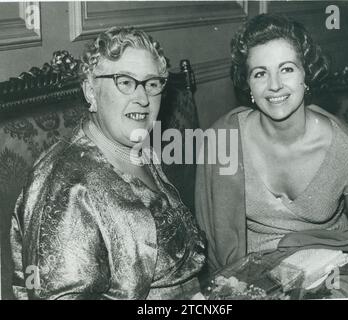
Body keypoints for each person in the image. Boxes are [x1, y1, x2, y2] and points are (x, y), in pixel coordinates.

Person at [10, 26, 205, 300]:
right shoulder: (63, 186)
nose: (142, 98)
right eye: (125, 82)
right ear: (90, 91)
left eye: (151, 83)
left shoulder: (139, 148)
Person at [195, 14, 348, 298]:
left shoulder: (345, 148)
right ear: (248, 85)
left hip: (329, 273)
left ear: (306, 74)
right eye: (260, 73)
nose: (274, 85)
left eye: (286, 69)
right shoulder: (222, 140)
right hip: (248, 279)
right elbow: (212, 243)